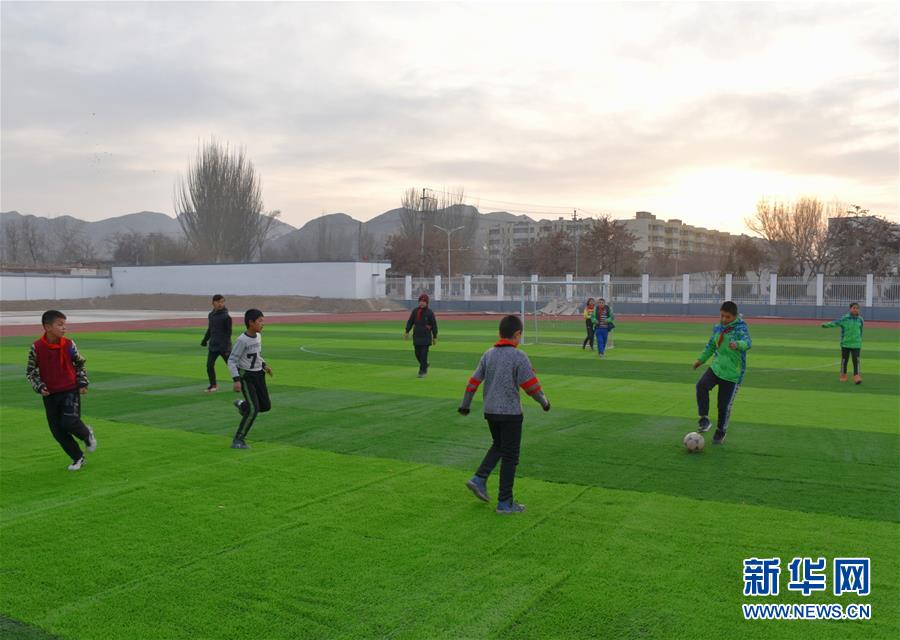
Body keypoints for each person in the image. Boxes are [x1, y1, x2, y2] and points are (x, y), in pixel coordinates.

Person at [459, 315, 551, 514]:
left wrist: (465, 405)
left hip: (490, 411)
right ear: (517, 334)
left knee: (499, 445)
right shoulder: (519, 356)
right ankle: (505, 503)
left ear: (500, 333)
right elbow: (531, 386)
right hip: (510, 413)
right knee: (510, 457)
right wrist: (544, 402)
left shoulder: (488, 354)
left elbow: (473, 382)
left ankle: (479, 479)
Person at [25, 310, 97, 471]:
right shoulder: (36, 347)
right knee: (57, 431)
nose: (64, 328)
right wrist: (39, 386)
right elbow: (30, 371)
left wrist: (82, 382)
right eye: (60, 324)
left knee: (69, 422)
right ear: (47, 327)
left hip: (70, 390)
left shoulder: (69, 345)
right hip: (50, 394)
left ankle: (86, 434)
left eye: (65, 324)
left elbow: (79, 363)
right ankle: (78, 458)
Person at [692, 301, 751, 445]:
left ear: (735, 316)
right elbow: (711, 346)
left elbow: (748, 343)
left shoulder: (740, 328)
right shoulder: (718, 328)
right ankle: (704, 419)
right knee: (701, 386)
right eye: (722, 316)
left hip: (732, 374)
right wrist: (701, 360)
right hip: (716, 368)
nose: (724, 319)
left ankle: (720, 430)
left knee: (723, 405)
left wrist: (738, 344)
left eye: (727, 317)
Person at [227, 309, 272, 449]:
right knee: (253, 409)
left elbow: (256, 355)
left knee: (265, 406)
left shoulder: (258, 336)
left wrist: (264, 365)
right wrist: (236, 379)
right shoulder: (242, 340)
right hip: (246, 376)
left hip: (259, 374)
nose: (263, 324)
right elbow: (232, 360)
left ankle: (242, 406)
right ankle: (238, 439)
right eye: (260, 321)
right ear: (251, 322)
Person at [822, 302, 864, 384]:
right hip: (845, 343)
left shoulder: (860, 319)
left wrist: (859, 339)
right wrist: (826, 325)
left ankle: (856, 376)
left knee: (856, 361)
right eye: (854, 308)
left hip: (856, 344)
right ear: (850, 309)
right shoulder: (845, 318)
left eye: (857, 308)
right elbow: (836, 323)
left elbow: (861, 330)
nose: (855, 310)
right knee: (844, 360)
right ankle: (843, 374)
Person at [201, 294, 233, 392]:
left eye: (222, 302)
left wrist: (226, 346)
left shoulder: (226, 317)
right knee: (209, 366)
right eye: (218, 302)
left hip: (224, 347)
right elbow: (210, 329)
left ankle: (240, 382)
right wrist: (205, 340)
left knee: (232, 366)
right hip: (213, 346)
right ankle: (213, 385)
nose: (220, 304)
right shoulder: (211, 315)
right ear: (213, 303)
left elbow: (228, 333)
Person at [404, 293, 438, 378]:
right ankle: (425, 364)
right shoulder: (415, 311)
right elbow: (410, 321)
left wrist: (435, 336)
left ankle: (422, 371)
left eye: (424, 301)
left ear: (427, 303)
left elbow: (434, 325)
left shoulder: (430, 313)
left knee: (423, 355)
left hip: (426, 338)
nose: (422, 303)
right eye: (420, 301)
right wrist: (407, 331)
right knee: (417, 354)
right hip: (417, 336)